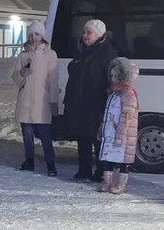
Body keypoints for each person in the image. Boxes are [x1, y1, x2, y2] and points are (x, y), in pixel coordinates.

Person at [63, 19, 117, 182]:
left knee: (97, 139)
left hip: (97, 103)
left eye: (89, 32)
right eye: (84, 32)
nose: (85, 35)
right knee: (82, 137)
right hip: (79, 103)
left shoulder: (107, 52)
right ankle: (83, 170)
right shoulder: (81, 51)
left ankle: (100, 172)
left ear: (99, 34)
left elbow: (111, 80)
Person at [12, 21, 59, 176]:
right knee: (27, 134)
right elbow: (15, 78)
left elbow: (53, 79)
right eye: (31, 34)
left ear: (42, 36)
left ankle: (51, 164)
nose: (33, 37)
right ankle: (29, 161)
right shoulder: (23, 55)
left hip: (42, 102)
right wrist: (22, 73)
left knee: (45, 135)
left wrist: (53, 101)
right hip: (25, 100)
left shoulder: (50, 55)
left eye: (37, 34)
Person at [97, 57, 139, 194]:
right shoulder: (113, 93)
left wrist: (120, 134)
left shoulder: (128, 95)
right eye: (112, 75)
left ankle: (120, 183)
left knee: (122, 159)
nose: (114, 78)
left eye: (117, 75)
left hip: (122, 135)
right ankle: (107, 181)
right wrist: (102, 130)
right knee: (109, 157)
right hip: (110, 132)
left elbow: (126, 117)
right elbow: (107, 114)